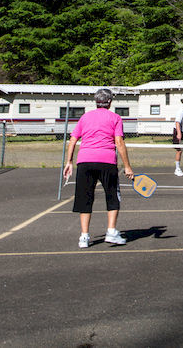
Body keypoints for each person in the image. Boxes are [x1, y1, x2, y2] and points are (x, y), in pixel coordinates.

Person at [63, 88, 135, 248]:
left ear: (96, 102)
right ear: (110, 102)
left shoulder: (85, 117)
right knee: (113, 196)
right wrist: (128, 167)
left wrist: (69, 162)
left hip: (84, 162)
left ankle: (84, 237)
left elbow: (73, 139)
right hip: (107, 162)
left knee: (85, 198)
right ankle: (111, 231)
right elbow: (119, 143)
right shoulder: (115, 117)